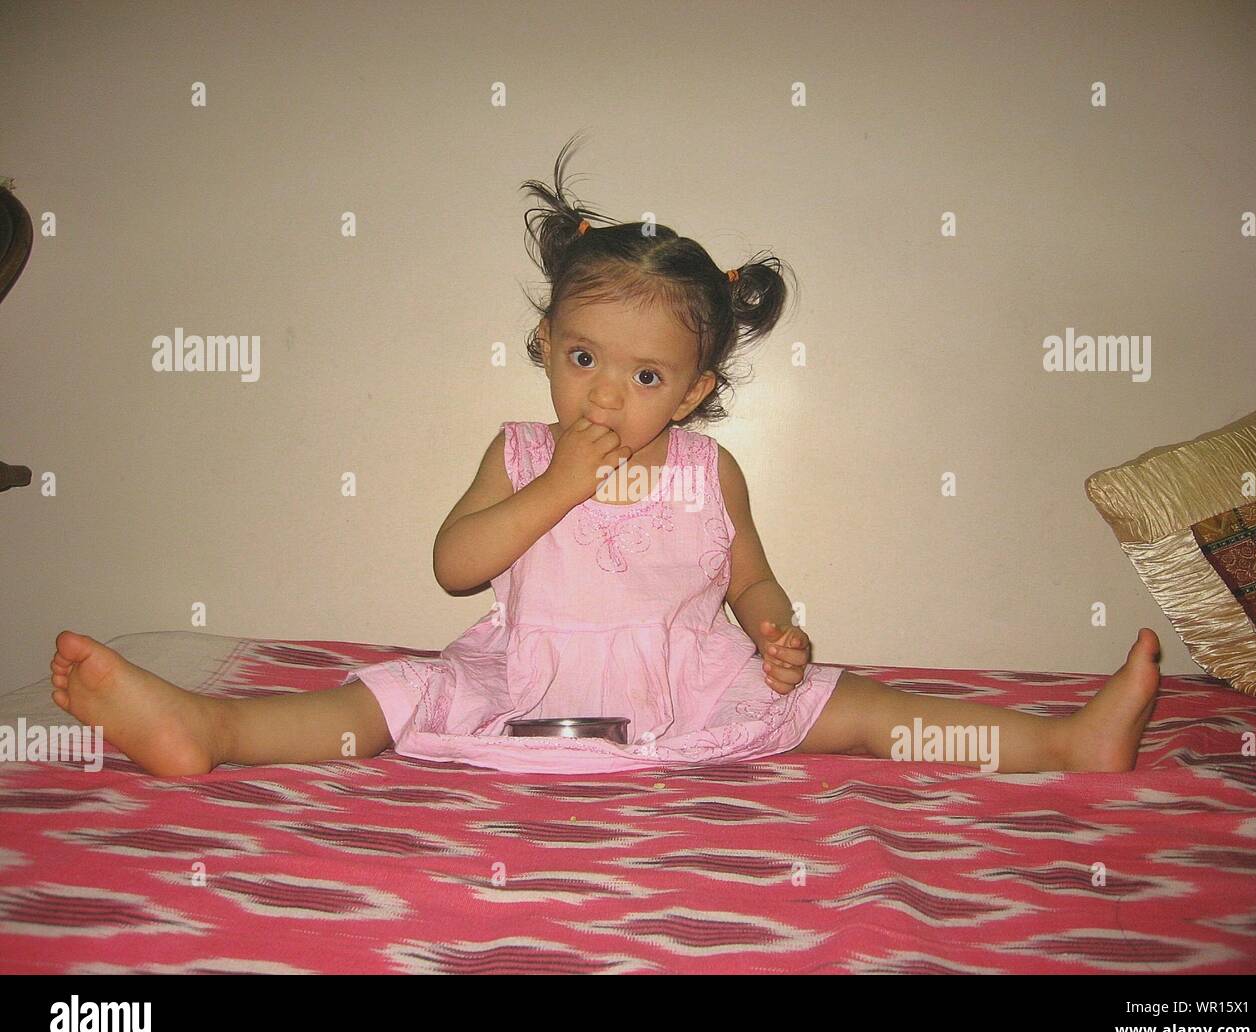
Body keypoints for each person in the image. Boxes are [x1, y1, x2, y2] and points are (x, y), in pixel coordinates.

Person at [49, 134, 1161, 777]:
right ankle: (213, 728)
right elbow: (455, 566)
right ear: (544, 346)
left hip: (683, 682)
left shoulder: (706, 473)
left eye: (643, 376)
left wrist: (775, 630)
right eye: (582, 356)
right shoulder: (523, 446)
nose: (606, 392)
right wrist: (556, 486)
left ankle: (1063, 745)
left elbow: (749, 577)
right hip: (524, 673)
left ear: (693, 390)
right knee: (382, 699)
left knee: (862, 706)